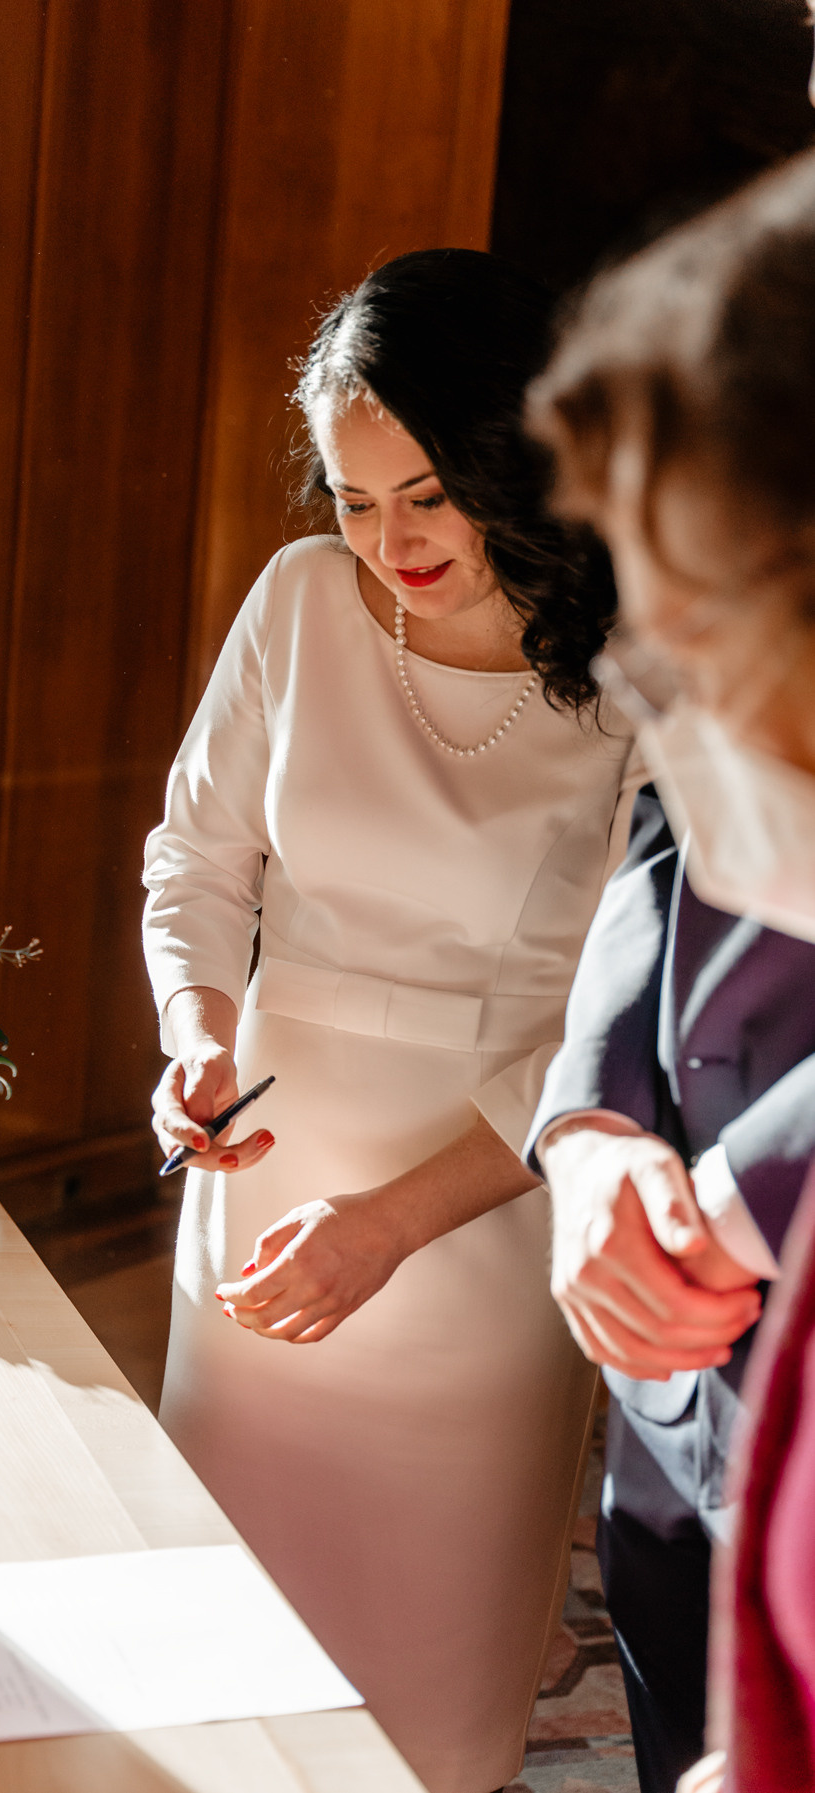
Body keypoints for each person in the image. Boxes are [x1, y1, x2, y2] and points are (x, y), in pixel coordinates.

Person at [142, 248, 644, 1793]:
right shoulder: (301, 604)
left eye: (426, 492)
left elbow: (614, 1015)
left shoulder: (645, 675)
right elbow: (198, 854)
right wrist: (194, 1031)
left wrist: (392, 1222)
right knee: (219, 1653)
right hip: (264, 1178)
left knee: (421, 1687)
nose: (388, 541)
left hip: (481, 1213)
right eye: (356, 499)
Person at [524, 145, 815, 1792]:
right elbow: (664, 838)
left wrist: (749, 1186)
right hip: (679, 1408)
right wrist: (588, 1127)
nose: (661, 714)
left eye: (690, 653)